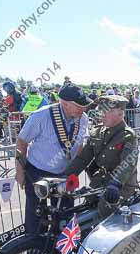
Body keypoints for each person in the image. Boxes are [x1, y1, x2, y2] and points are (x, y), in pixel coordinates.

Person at [15, 85, 90, 235]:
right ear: (65, 103)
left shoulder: (83, 119)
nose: (84, 109)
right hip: (37, 173)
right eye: (79, 106)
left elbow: (79, 144)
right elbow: (22, 141)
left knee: (64, 216)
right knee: (35, 217)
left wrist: (75, 171)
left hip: (64, 174)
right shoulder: (41, 116)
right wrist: (20, 171)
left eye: (84, 105)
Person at [62, 95, 139, 201]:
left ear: (119, 113)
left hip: (121, 186)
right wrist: (65, 176)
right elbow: (83, 159)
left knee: (105, 209)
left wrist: (115, 183)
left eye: (105, 111)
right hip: (99, 183)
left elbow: (128, 163)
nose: (101, 115)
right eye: (100, 111)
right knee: (80, 208)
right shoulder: (96, 132)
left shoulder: (128, 136)